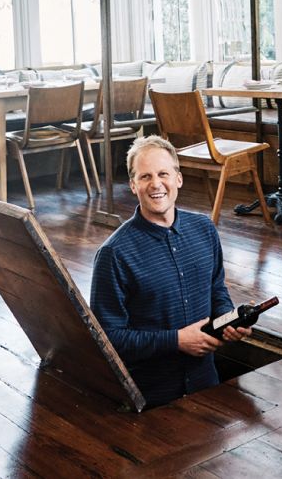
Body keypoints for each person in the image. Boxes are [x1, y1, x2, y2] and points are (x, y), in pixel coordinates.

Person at [90, 134, 250, 407]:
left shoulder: (204, 229)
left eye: (163, 173)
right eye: (144, 177)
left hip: (207, 385)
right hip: (152, 399)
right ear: (132, 185)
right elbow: (107, 338)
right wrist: (176, 341)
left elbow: (216, 288)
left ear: (178, 178)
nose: (156, 184)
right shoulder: (113, 254)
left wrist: (227, 320)